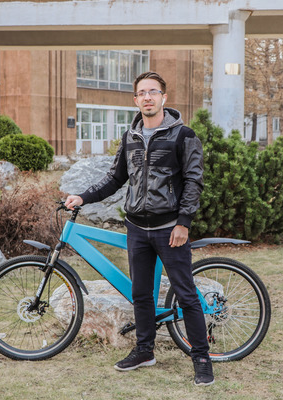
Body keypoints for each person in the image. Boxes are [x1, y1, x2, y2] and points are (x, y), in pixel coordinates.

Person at [64, 71, 213, 386]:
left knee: (186, 295)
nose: (147, 97)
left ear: (163, 98)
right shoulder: (130, 137)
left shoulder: (183, 135)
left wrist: (184, 222)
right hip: (137, 228)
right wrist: (83, 197)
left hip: (169, 228)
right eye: (142, 93)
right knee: (141, 295)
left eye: (153, 92)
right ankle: (145, 351)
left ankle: (201, 358)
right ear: (135, 100)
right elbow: (115, 178)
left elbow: (193, 181)